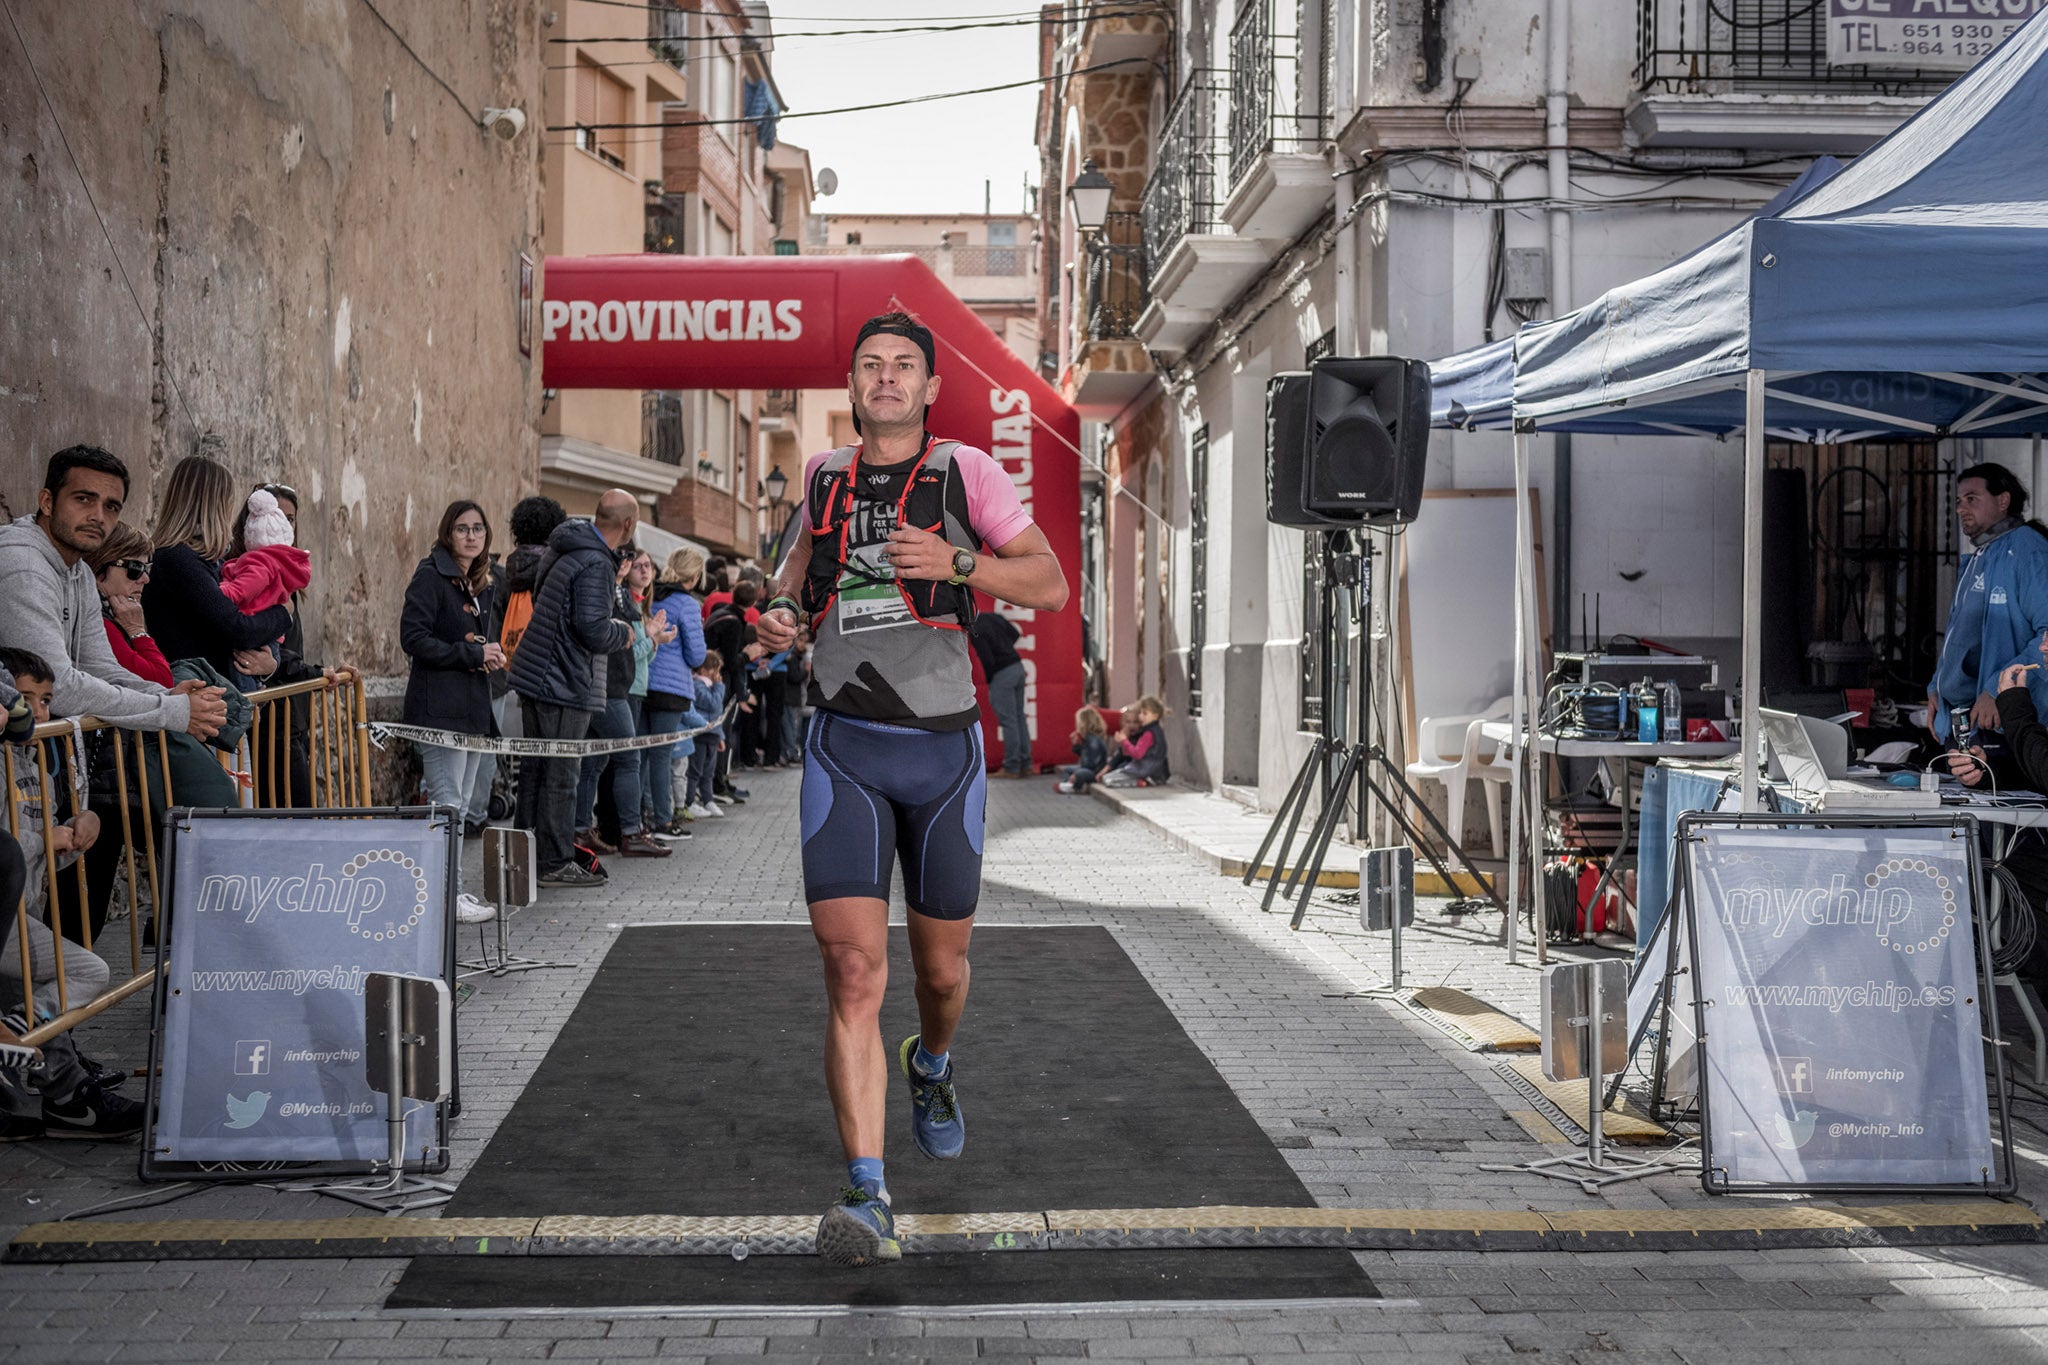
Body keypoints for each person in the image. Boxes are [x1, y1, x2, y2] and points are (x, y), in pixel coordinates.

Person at [755, 311, 1068, 1267]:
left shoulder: (968, 470)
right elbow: (797, 567)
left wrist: (958, 561)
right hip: (844, 745)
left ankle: (930, 1062)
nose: (886, 379)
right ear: (851, 385)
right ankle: (866, 1190)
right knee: (853, 973)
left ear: (931, 387)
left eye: (904, 368)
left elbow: (1049, 583)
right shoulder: (823, 475)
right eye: (870, 367)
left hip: (943, 755)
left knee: (939, 974)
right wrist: (777, 610)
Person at [0, 447, 229, 940]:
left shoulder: (78, 570)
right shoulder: (21, 564)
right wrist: (170, 711)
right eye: (84, 499)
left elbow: (100, 667)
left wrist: (167, 692)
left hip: (44, 769)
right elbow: (60, 686)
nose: (98, 515)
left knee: (56, 939)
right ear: (46, 500)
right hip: (10, 772)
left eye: (111, 506)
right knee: (20, 930)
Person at [0, 648, 144, 1140]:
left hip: (28, 909)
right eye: (25, 700)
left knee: (49, 981)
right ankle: (17, 1034)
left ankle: (60, 1093)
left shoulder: (38, 759)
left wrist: (77, 834)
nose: (39, 713)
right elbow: (9, 848)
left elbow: (39, 849)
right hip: (8, 915)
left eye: (45, 701)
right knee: (88, 970)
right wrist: (48, 839)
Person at [507, 492, 637, 887]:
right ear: (628, 526)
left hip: (538, 673)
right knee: (561, 775)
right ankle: (553, 862)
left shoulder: (566, 548)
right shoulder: (596, 561)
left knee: (535, 771)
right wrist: (624, 632)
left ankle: (523, 857)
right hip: (563, 680)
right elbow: (592, 628)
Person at [142, 455, 295, 691]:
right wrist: (284, 613)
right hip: (194, 701)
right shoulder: (177, 559)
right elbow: (237, 628)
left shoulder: (198, 559)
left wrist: (267, 666)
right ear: (215, 504)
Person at [1928, 463, 2048, 744]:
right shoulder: (1978, 557)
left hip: (2009, 726)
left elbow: (2047, 638)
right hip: (1963, 724)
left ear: (2003, 500)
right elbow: (1958, 639)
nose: (1961, 509)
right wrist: (1937, 687)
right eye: (1958, 501)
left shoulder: (2029, 551)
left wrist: (1998, 690)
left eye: (1971, 498)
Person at [400, 501, 504, 824]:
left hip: (473, 710)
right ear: (448, 533)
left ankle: (452, 875)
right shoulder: (431, 576)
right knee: (447, 804)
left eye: (478, 529)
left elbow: (468, 641)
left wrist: (488, 657)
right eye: (462, 529)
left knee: (461, 804)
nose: (471, 536)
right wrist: (473, 654)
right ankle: (442, 876)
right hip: (441, 711)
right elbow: (413, 639)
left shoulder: (479, 583)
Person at [574, 547, 672, 859]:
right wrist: (651, 639)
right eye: (630, 562)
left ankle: (580, 830)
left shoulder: (618, 594)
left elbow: (632, 650)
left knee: (593, 762)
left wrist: (651, 638)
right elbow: (621, 647)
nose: (636, 568)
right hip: (608, 688)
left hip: (615, 686)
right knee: (628, 759)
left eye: (644, 564)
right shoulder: (605, 591)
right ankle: (631, 832)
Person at [500, 495, 567, 836]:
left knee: (530, 758)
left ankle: (522, 832)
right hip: (551, 673)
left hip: (519, 669)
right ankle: (546, 840)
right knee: (554, 766)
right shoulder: (555, 567)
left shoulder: (509, 568)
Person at [646, 548, 709, 837]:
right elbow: (696, 655)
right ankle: (662, 820)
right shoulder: (687, 604)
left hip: (641, 683)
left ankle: (640, 818)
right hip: (670, 689)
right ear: (695, 576)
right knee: (661, 756)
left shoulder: (651, 594)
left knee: (638, 757)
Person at [84, 524, 171, 688]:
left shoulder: (108, 613)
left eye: (147, 568)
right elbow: (162, 681)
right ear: (99, 568)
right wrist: (136, 630)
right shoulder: (98, 623)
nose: (145, 578)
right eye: (135, 568)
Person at [971, 611, 1029, 778]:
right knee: (1019, 718)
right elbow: (1015, 633)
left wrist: (992, 677)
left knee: (1009, 721)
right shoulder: (993, 617)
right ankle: (1026, 764)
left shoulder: (975, 629)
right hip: (1017, 666)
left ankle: (1011, 767)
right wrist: (1005, 648)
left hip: (1001, 675)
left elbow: (987, 659)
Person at [683, 648, 728, 818]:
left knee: (709, 771)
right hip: (700, 735)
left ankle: (708, 799)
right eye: (713, 671)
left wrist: (720, 736)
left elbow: (718, 715)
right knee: (695, 770)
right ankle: (689, 801)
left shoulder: (711, 686)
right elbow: (713, 704)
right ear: (702, 670)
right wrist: (719, 686)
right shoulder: (698, 685)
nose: (716, 675)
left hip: (712, 735)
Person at [1099, 696, 1170, 788]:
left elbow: (1137, 754)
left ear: (1155, 716)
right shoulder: (1155, 731)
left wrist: (1124, 740)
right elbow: (1124, 754)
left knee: (1108, 780)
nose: (1141, 716)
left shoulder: (1149, 733)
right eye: (1140, 713)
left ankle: (1141, 782)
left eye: (1145, 714)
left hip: (1146, 769)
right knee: (1108, 777)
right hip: (1154, 770)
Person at [1054, 706, 1110, 793]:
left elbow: (1091, 763)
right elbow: (1084, 755)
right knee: (1067, 770)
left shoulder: (1094, 740)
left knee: (1080, 774)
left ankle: (1075, 787)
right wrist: (1076, 745)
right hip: (1087, 768)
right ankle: (1070, 784)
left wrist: (1077, 772)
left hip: (1095, 771)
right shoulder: (1087, 738)